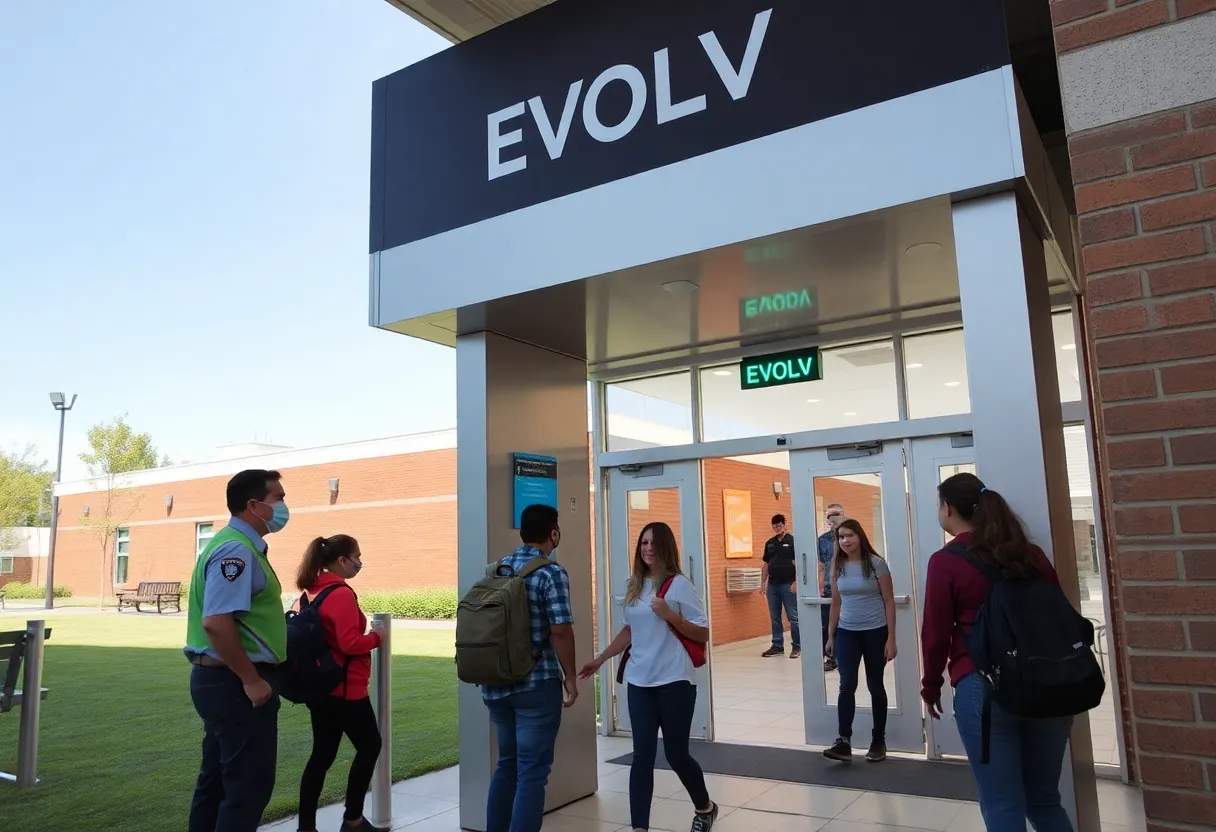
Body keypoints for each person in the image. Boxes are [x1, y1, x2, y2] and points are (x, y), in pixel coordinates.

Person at [921, 473, 1073, 831]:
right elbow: (1060, 613)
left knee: (1002, 805)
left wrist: (930, 686)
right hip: (1048, 685)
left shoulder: (946, 561)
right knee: (1045, 801)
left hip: (984, 689)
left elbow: (935, 634)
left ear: (949, 509)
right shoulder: (1030, 554)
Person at [579, 522, 718, 832]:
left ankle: (705, 807)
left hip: (674, 682)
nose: (648, 548)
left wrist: (671, 615)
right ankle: (639, 827)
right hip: (640, 681)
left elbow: (703, 633)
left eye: (654, 543)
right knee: (642, 756)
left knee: (676, 754)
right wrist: (601, 659)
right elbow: (631, 631)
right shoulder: (634, 585)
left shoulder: (680, 585)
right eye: (643, 543)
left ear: (666, 547)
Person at [184, 469, 290, 832]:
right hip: (234, 684)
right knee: (247, 787)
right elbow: (216, 621)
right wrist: (251, 679)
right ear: (253, 505)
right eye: (278, 498)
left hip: (220, 681)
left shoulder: (232, 544)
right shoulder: (236, 550)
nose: (283, 506)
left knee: (215, 785)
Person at [482, 504, 578, 832]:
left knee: (506, 765)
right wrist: (570, 678)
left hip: (495, 683)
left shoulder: (497, 569)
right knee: (532, 773)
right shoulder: (551, 572)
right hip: (536, 684)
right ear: (553, 533)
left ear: (522, 533)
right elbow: (561, 629)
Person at [295, 535, 390, 832]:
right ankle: (353, 820)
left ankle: (306, 826)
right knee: (370, 746)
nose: (360, 562)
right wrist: (377, 638)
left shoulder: (309, 593)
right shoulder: (341, 594)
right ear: (341, 560)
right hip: (346, 688)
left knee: (321, 756)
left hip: (319, 687)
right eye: (357, 556)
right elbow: (350, 643)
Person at [823, 518, 896, 763]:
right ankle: (843, 740)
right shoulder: (837, 565)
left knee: (876, 685)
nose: (845, 541)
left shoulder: (876, 564)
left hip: (876, 632)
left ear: (860, 536)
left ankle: (878, 740)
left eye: (849, 535)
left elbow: (889, 601)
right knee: (847, 685)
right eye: (841, 537)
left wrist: (892, 639)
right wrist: (831, 635)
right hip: (847, 633)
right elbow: (836, 602)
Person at [760, 513, 800, 659]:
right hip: (773, 584)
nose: (777, 528)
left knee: (793, 616)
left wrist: (796, 582)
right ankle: (777, 645)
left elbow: (798, 564)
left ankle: (797, 646)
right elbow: (766, 564)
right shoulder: (770, 543)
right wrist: (762, 583)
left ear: (785, 525)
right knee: (775, 617)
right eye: (775, 526)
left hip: (788, 583)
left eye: (779, 525)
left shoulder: (792, 541)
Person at [816, 503, 846, 671]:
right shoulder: (822, 540)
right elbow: (820, 565)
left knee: (845, 624)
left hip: (847, 587)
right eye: (830, 515)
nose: (833, 517)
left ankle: (844, 655)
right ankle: (830, 656)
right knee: (828, 624)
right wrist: (820, 586)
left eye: (837, 514)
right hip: (828, 587)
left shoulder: (850, 536)